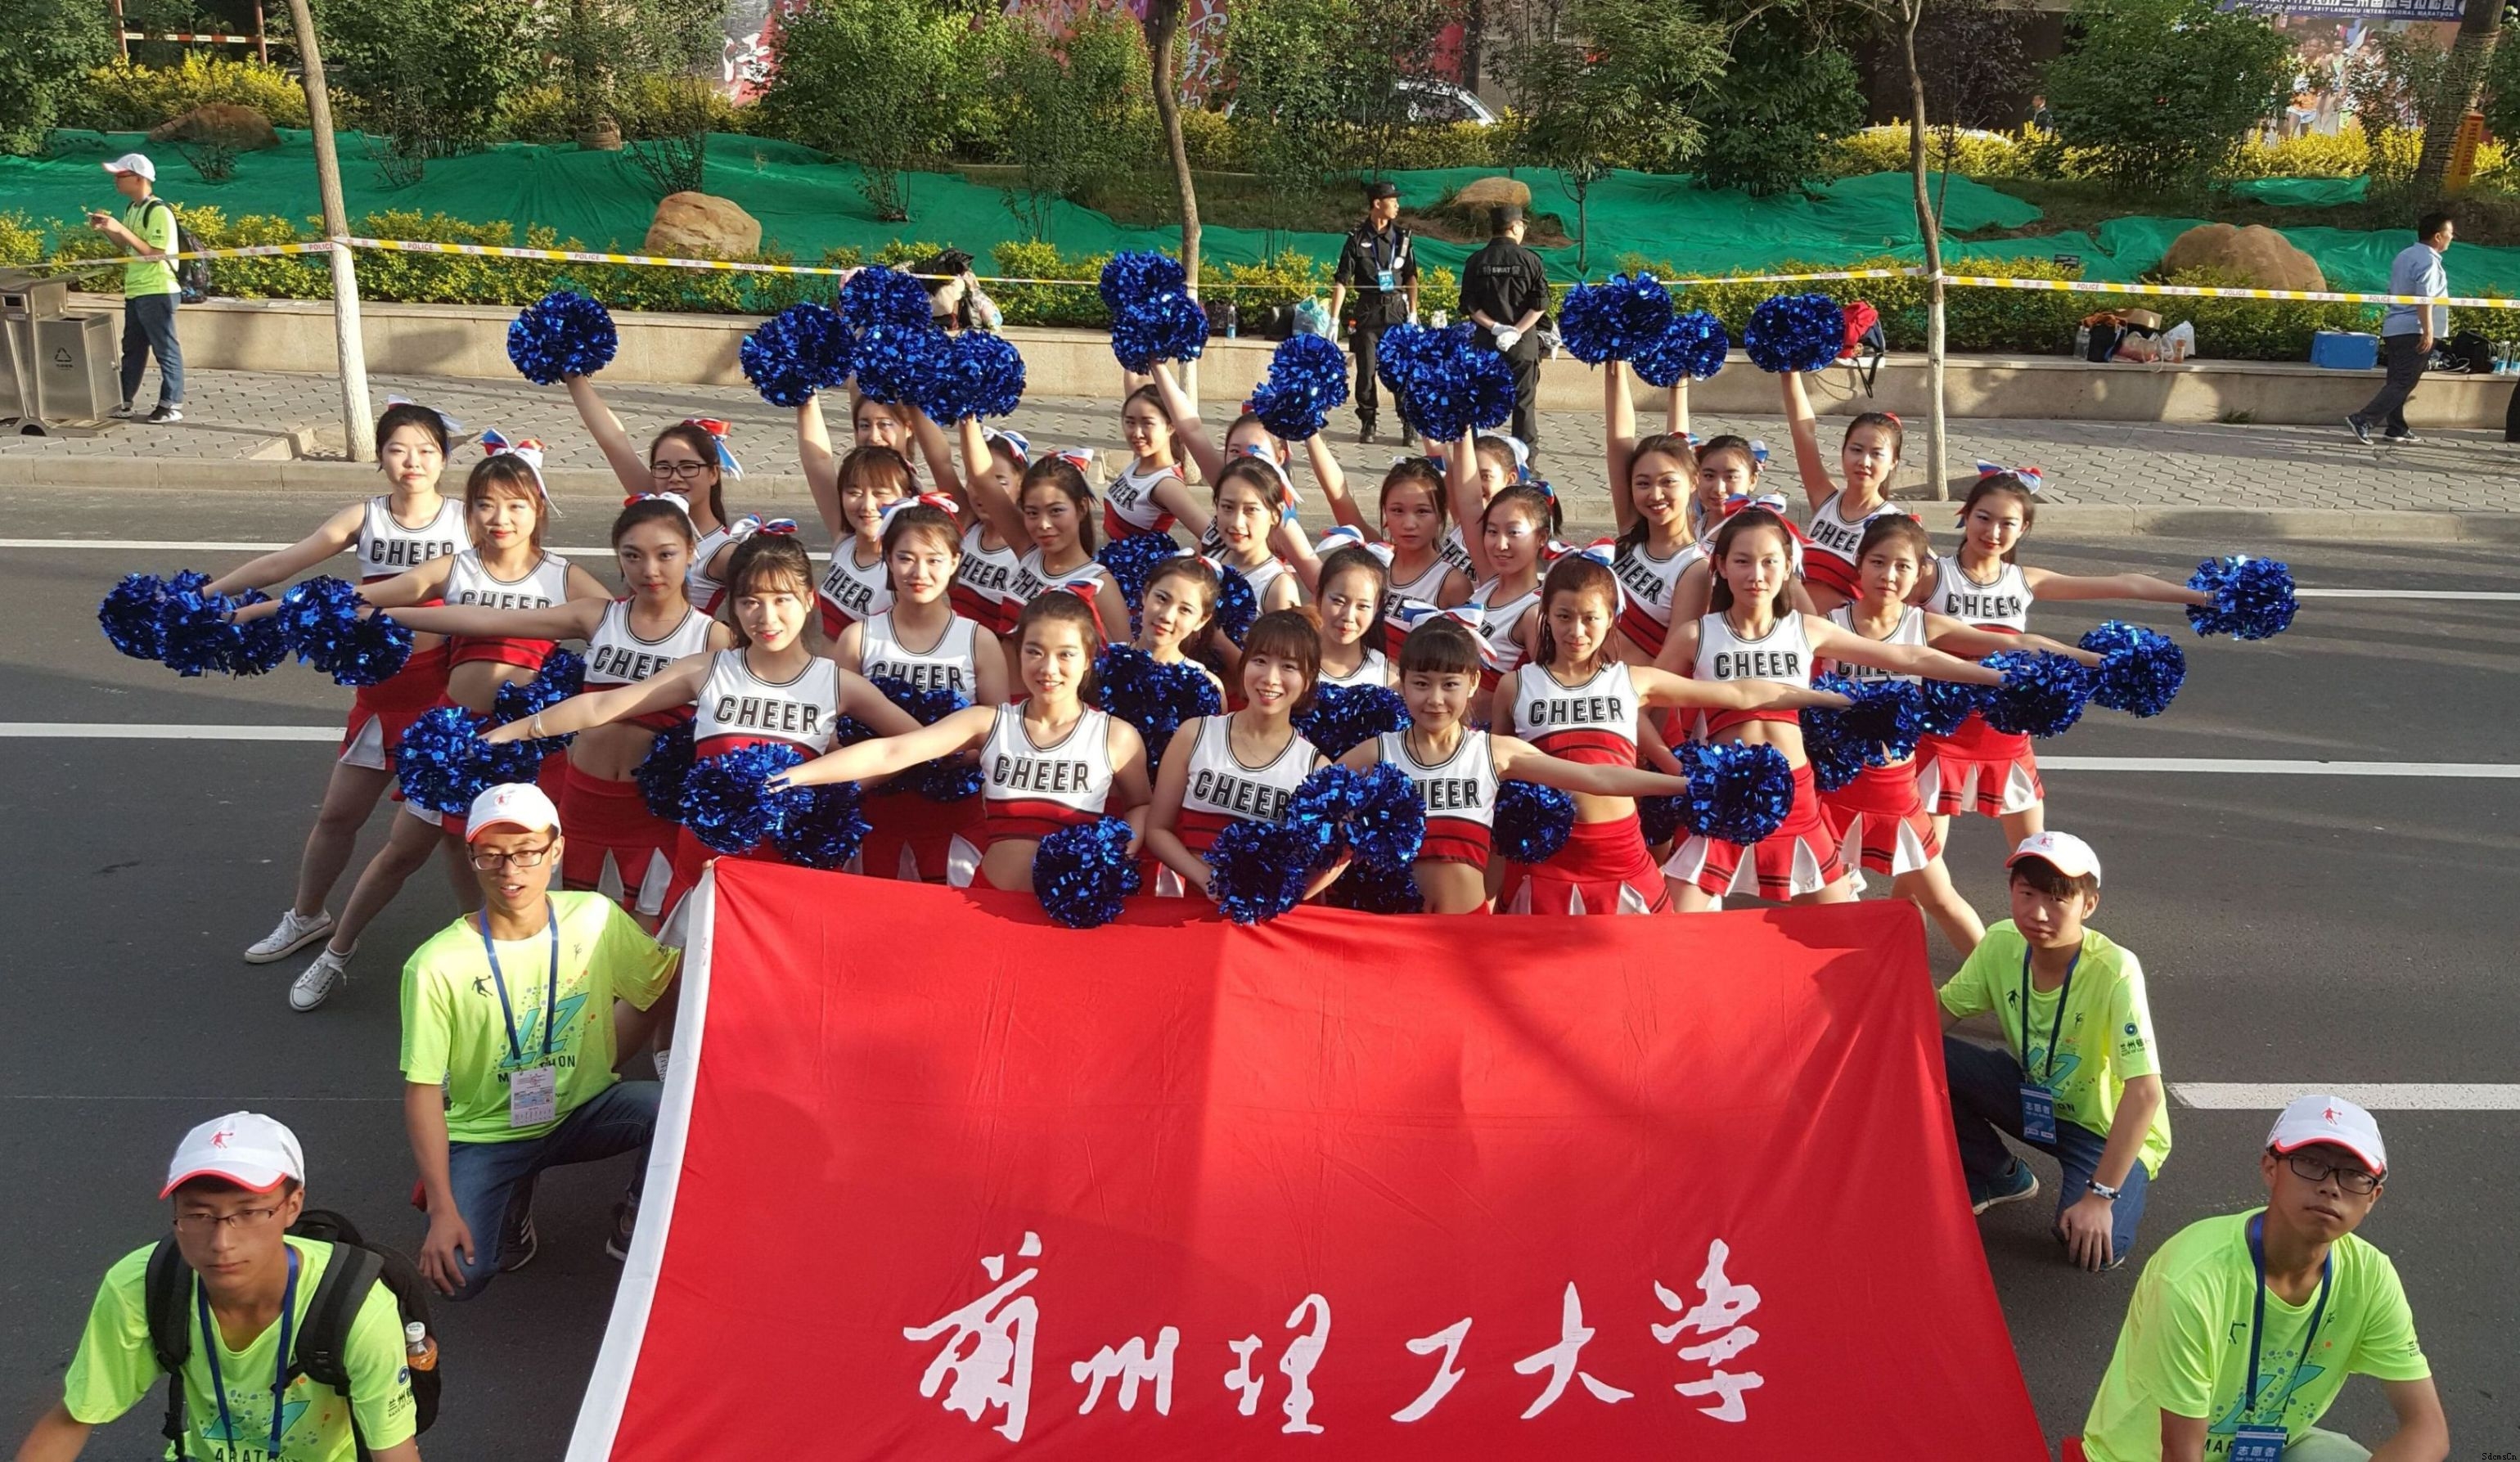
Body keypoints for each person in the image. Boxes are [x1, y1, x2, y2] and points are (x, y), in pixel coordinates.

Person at [281, 443, 612, 1013]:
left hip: (528, 747)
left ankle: (511, 967)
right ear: (470, 510)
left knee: (521, 863)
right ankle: (336, 951)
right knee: (401, 852)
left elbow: (630, 633)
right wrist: (255, 610)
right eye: (485, 504)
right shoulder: (456, 567)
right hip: (454, 744)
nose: (500, 518)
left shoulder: (565, 577)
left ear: (538, 509)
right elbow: (363, 599)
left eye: (515, 505)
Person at [209, 402, 468, 966]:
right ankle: (307, 915)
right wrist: (203, 597)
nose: (412, 461)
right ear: (380, 457)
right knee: (336, 816)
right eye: (398, 449)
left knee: (454, 833)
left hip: (445, 697)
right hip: (380, 696)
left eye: (426, 450)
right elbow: (281, 564)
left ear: (445, 458)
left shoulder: (467, 520)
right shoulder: (364, 517)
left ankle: (489, 938)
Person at [401, 783, 682, 1301]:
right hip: (490, 1133)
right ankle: (511, 1196)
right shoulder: (435, 965)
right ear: (472, 857)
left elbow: (661, 981)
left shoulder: (595, 917)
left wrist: (720, 905)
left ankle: (634, 1217)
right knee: (460, 1279)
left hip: (581, 1109)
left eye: (527, 851)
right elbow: (421, 1091)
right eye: (492, 855)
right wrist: (442, 1210)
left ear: (556, 850)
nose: (511, 870)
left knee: (679, 1109)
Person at [15, 1112, 421, 1461]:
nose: (222, 1243)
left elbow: (394, 1452)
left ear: (293, 1206)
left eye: (249, 1212)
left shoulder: (358, 1309)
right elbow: (73, 1418)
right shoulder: (142, 1284)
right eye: (199, 1216)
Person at [2075, 1095, 2448, 1462]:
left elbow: (2428, 1430)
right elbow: (2179, 1453)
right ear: (2270, 1168)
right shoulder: (2193, 1279)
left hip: (2272, 1449)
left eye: (2353, 1174)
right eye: (2311, 1162)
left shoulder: (2371, 1276)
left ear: (2373, 1197)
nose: (2331, 1186)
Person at [776, 592, 1154, 894]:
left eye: (1065, 654)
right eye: (1034, 651)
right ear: (1017, 653)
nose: (1048, 668)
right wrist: (792, 778)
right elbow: (891, 751)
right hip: (988, 902)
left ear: (1088, 658)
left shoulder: (1116, 736)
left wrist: (1113, 855)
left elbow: (1140, 804)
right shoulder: (988, 723)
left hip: (1069, 911)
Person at [1339, 615, 1703, 915]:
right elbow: (1316, 799)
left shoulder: (1494, 753)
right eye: (1421, 684)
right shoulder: (1377, 754)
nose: (1435, 699)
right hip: (1397, 929)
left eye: (1450, 684)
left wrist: (1689, 785)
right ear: (1402, 683)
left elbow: (1597, 777)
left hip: (1468, 934)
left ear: (1473, 683)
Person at [1938, 833, 2169, 1273]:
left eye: (2057, 899)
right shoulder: (2001, 943)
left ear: (2089, 905)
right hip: (2034, 1098)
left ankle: (2102, 1190)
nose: (2038, 913)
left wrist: (2100, 1198)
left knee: (2094, 1247)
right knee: (1924, 1057)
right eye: (2027, 894)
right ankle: (1997, 1174)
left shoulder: (2116, 970)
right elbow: (1932, 1020)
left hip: (2101, 1129)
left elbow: (2145, 1094)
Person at [87, 153, 185, 424]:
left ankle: (171, 404)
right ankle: (124, 401)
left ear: (139, 178)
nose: (116, 180)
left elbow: (155, 254)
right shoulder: (132, 209)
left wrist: (120, 229)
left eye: (121, 175)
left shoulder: (159, 211)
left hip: (158, 289)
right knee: (133, 348)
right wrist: (109, 229)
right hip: (137, 289)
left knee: (165, 347)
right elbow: (129, 247)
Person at [2347, 212, 2453, 446]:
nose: (2452, 238)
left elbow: (2393, 290)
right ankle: (2363, 419)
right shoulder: (2428, 261)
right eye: (2450, 233)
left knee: (2397, 381)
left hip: (2395, 326)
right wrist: (2428, 331)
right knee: (2404, 381)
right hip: (2414, 329)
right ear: (2438, 236)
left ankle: (2396, 427)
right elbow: (2425, 298)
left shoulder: (2405, 255)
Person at [1327, 180, 1420, 444]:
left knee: (1402, 370)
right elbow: (1342, 280)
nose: (1397, 205)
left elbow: (1411, 276)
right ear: (1377, 204)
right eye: (1393, 200)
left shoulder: (1403, 238)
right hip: (1368, 311)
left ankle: (1408, 423)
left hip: (1396, 310)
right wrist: (1333, 319)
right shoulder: (1356, 239)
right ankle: (1368, 421)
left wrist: (1413, 312)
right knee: (1366, 371)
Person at [1460, 205, 1550, 449]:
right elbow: (1540, 304)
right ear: (1514, 227)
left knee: (1480, 401)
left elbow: (1469, 305)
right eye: (1522, 225)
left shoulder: (1476, 261)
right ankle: (1526, 459)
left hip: (1486, 343)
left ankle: (1478, 457)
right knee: (1523, 403)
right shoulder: (1531, 260)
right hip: (1522, 345)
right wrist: (1516, 330)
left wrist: (1496, 328)